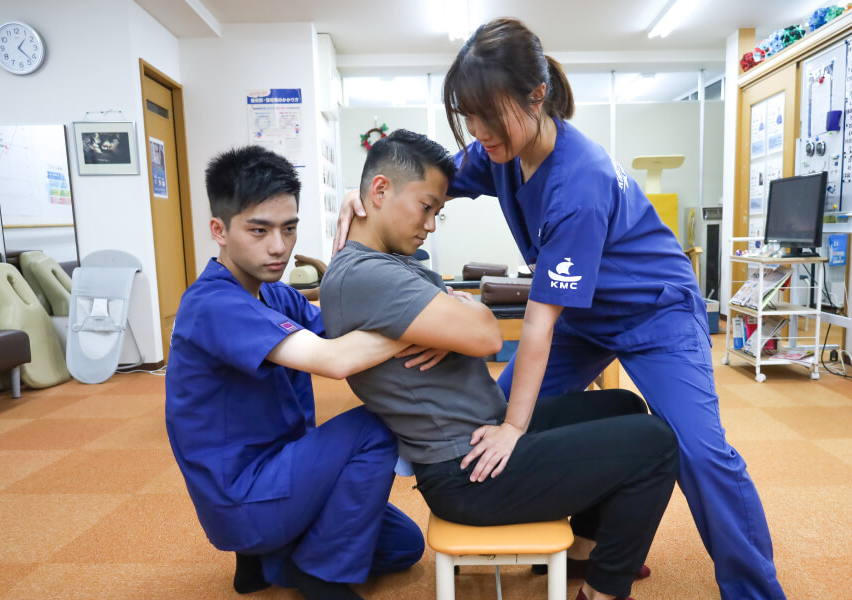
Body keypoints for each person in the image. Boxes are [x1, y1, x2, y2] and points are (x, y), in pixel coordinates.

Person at [335, 18, 786, 600]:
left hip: (655, 313)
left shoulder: (580, 181)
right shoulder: (499, 151)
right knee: (491, 417)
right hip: (583, 315)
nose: (477, 131)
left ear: (536, 96)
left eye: (486, 115)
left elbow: (539, 324)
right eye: (467, 115)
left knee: (697, 451)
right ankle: (588, 544)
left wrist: (516, 428)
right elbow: (428, 180)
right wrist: (361, 190)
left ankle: (754, 589)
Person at [321, 129, 679, 600]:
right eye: (427, 207)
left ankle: (582, 553)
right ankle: (602, 591)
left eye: (438, 212)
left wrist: (459, 315)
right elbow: (488, 335)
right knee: (656, 443)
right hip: (466, 472)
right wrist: (461, 316)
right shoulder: (366, 274)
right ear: (381, 191)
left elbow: (471, 324)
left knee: (623, 408)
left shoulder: (388, 260)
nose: (430, 225)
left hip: (480, 435)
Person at [165, 145, 427, 600]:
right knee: (374, 427)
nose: (279, 247)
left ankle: (265, 560)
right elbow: (336, 359)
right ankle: (319, 574)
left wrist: (365, 230)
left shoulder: (275, 295)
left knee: (405, 545)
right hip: (244, 498)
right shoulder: (212, 304)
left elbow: (346, 324)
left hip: (281, 472)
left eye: (289, 229)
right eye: (259, 230)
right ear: (219, 230)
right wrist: (424, 327)